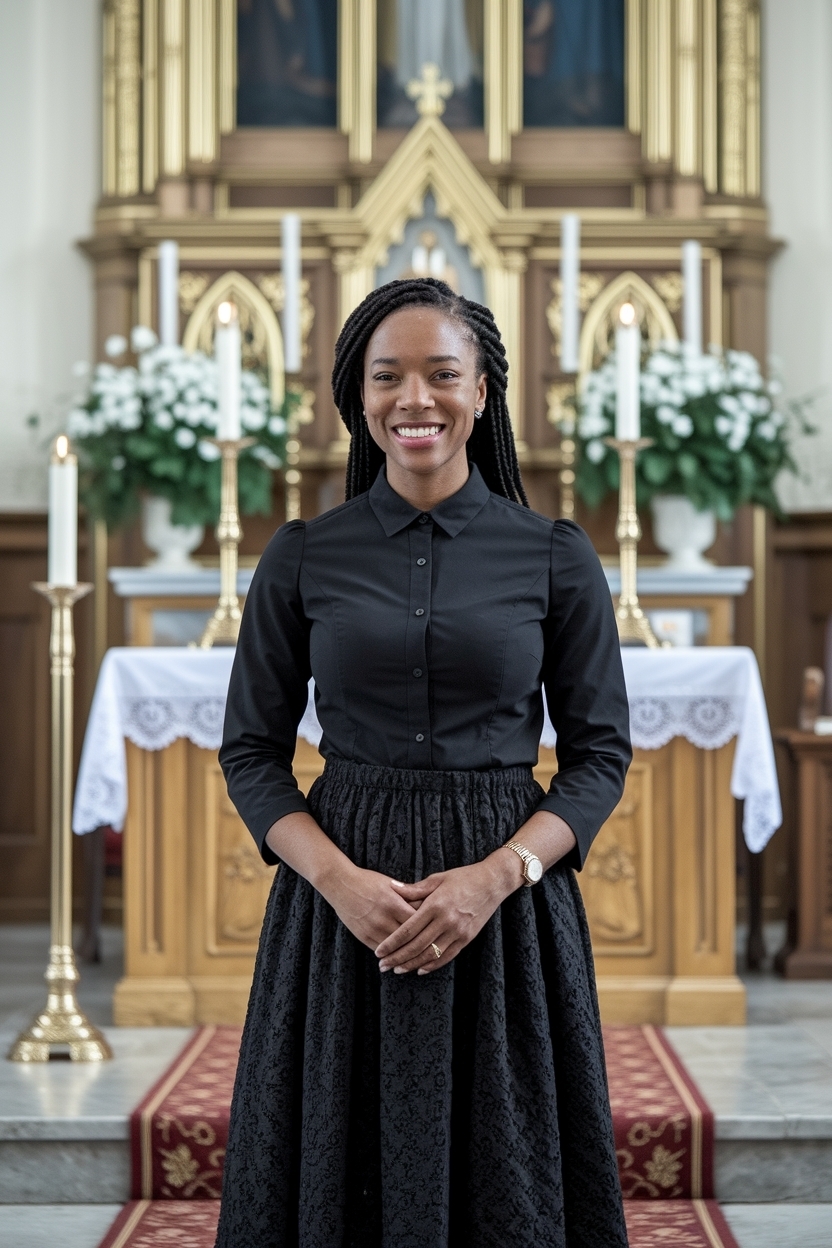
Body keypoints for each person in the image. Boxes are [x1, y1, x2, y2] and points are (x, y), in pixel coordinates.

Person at [215, 277, 631, 1247]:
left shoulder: (554, 555)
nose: (415, 399)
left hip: (505, 909)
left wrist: (496, 877)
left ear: (481, 391)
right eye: (387, 376)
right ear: (357, 396)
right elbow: (251, 752)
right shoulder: (303, 555)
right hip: (340, 905)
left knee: (506, 1167)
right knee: (339, 1157)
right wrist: (339, 882)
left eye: (441, 374)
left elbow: (599, 755)